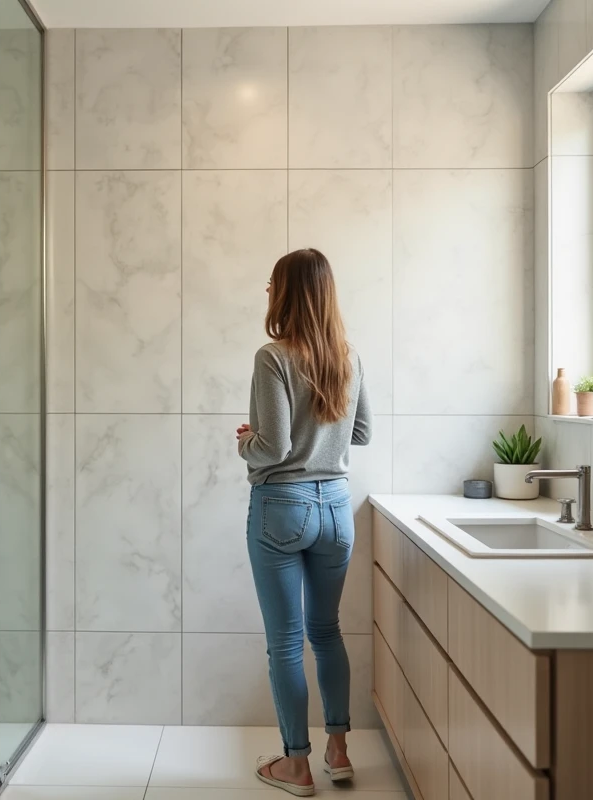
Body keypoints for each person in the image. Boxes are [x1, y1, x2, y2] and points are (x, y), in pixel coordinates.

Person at [236, 248, 372, 797]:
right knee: (327, 631)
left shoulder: (273, 357)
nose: (267, 292)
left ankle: (296, 766)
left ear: (287, 292)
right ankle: (339, 752)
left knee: (286, 643)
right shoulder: (349, 356)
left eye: (272, 284)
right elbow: (359, 434)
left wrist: (247, 441)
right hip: (337, 507)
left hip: (282, 509)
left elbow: (274, 448)